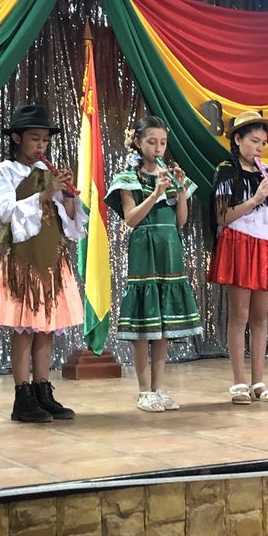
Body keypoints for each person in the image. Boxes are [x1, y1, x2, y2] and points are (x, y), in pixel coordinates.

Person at [0, 104, 86, 422]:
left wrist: (67, 193)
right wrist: (44, 193)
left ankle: (43, 389)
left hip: (51, 258)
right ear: (16, 138)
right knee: (24, 330)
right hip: (22, 259)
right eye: (34, 139)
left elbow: (69, 219)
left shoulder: (48, 173)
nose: (40, 145)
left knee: (46, 330)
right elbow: (6, 213)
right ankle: (22, 395)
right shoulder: (6, 171)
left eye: (44, 140)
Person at [104, 115, 202, 412]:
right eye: (151, 142)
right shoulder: (127, 177)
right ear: (137, 141)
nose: (158, 148)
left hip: (170, 247)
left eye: (162, 142)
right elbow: (132, 218)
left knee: (164, 325)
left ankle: (159, 388)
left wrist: (181, 190)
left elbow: (181, 220)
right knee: (145, 323)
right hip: (144, 248)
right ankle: (144, 390)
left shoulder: (170, 175)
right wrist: (157, 193)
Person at [208, 110, 268, 405]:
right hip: (240, 242)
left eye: (262, 143)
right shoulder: (226, 170)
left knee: (260, 316)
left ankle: (259, 381)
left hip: (267, 243)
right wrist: (256, 198)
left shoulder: (266, 171)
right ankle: (239, 382)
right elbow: (222, 217)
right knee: (240, 315)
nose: (258, 148)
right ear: (238, 139)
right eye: (253, 141)